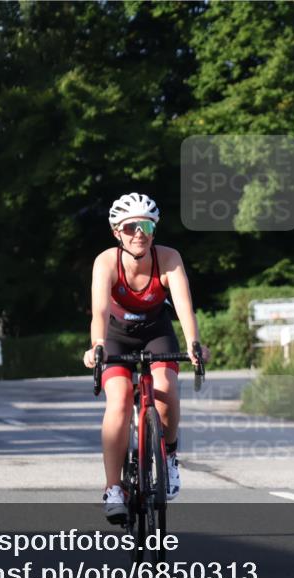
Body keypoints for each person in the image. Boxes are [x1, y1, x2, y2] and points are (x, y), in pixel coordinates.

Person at [82, 193, 210, 523]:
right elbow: (98, 310)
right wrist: (96, 344)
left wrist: (194, 344)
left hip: (157, 330)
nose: (139, 233)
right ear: (116, 232)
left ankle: (167, 456)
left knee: (166, 389)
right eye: (131, 227)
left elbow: (184, 305)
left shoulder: (168, 258)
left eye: (147, 225)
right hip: (115, 334)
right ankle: (114, 488)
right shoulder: (106, 261)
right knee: (120, 400)